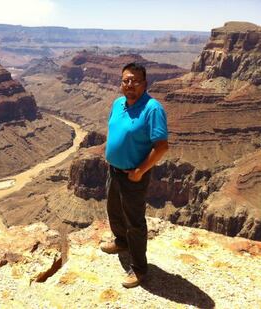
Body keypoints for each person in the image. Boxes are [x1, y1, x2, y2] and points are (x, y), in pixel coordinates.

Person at [102, 62, 169, 288]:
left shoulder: (152, 108)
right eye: (126, 80)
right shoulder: (118, 103)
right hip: (114, 170)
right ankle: (121, 242)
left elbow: (161, 147)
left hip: (133, 176)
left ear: (145, 83)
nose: (130, 84)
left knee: (135, 223)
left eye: (135, 81)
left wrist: (140, 171)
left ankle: (139, 269)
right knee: (114, 210)